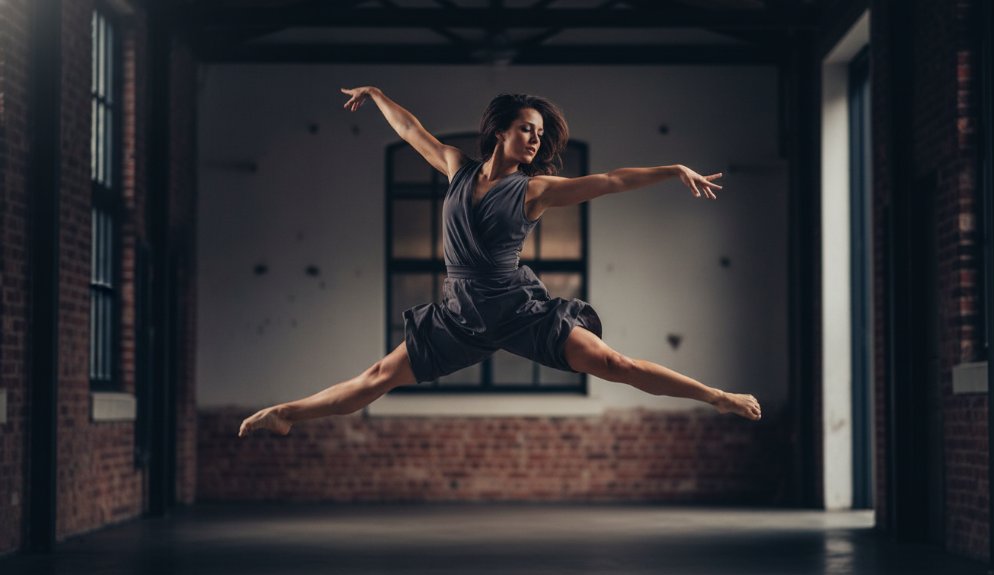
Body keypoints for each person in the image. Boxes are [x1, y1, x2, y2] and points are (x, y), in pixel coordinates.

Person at [238, 87, 761, 438]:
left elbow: (609, 181)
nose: (536, 139)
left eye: (539, 133)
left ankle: (716, 397)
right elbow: (410, 131)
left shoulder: (535, 190)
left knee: (615, 365)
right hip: (458, 317)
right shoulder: (456, 168)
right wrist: (375, 95)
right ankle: (287, 414)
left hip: (518, 311)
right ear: (501, 132)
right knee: (376, 376)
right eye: (527, 129)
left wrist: (673, 169)